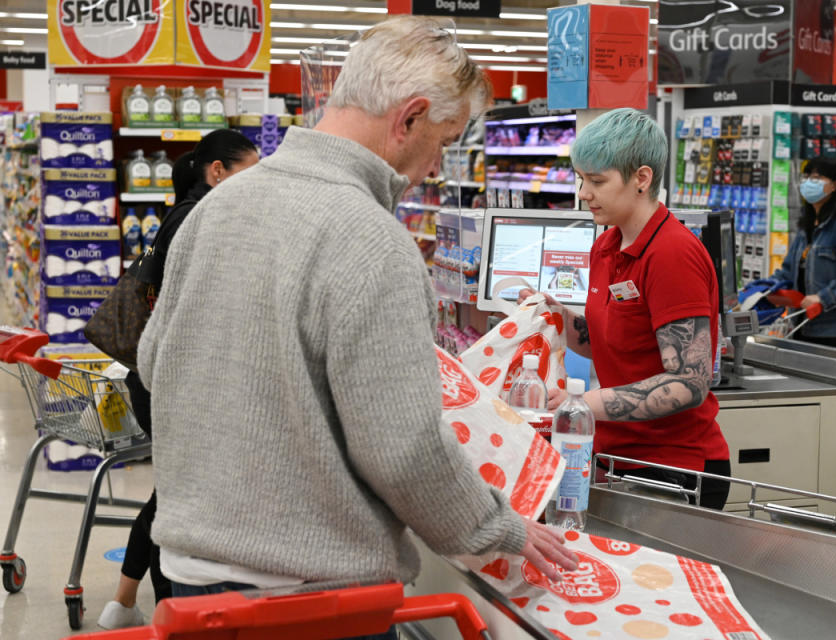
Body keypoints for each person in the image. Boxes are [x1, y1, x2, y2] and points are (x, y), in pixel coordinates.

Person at [137, 16, 576, 633]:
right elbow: (402, 450)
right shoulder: (371, 242)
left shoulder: (217, 208)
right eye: (446, 141)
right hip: (308, 594)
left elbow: (157, 365)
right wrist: (494, 527)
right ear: (410, 119)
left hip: (189, 573)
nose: (437, 164)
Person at [519, 108, 731, 510]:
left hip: (673, 469)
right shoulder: (608, 245)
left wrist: (578, 404)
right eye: (582, 179)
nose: (584, 193)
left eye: (597, 181)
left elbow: (688, 381)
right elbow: (612, 341)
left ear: (642, 179)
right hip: (617, 459)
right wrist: (557, 317)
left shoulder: (672, 254)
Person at [98, 132, 259, 629]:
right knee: (173, 496)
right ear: (218, 172)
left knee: (173, 492)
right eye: (250, 170)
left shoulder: (183, 215)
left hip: (158, 373)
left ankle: (136, 605)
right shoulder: (201, 220)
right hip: (168, 378)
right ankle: (142, 606)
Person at [770, 158, 836, 351]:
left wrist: (823, 298)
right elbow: (788, 272)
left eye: (817, 178)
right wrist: (765, 289)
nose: (809, 182)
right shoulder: (807, 227)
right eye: (807, 177)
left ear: (835, 185)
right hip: (804, 325)